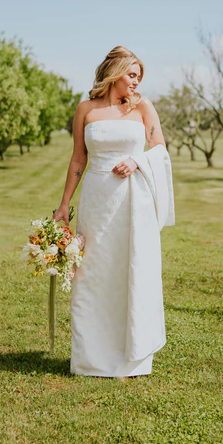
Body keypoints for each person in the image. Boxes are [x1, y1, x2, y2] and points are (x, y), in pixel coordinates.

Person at [53, 46, 175, 377]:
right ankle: (90, 359)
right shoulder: (85, 109)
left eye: (139, 76)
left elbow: (160, 150)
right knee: (92, 272)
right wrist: (64, 204)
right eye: (132, 75)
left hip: (133, 202)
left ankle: (132, 356)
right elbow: (79, 158)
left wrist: (138, 160)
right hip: (96, 200)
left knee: (130, 269)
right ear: (114, 73)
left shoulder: (143, 107)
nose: (136, 82)